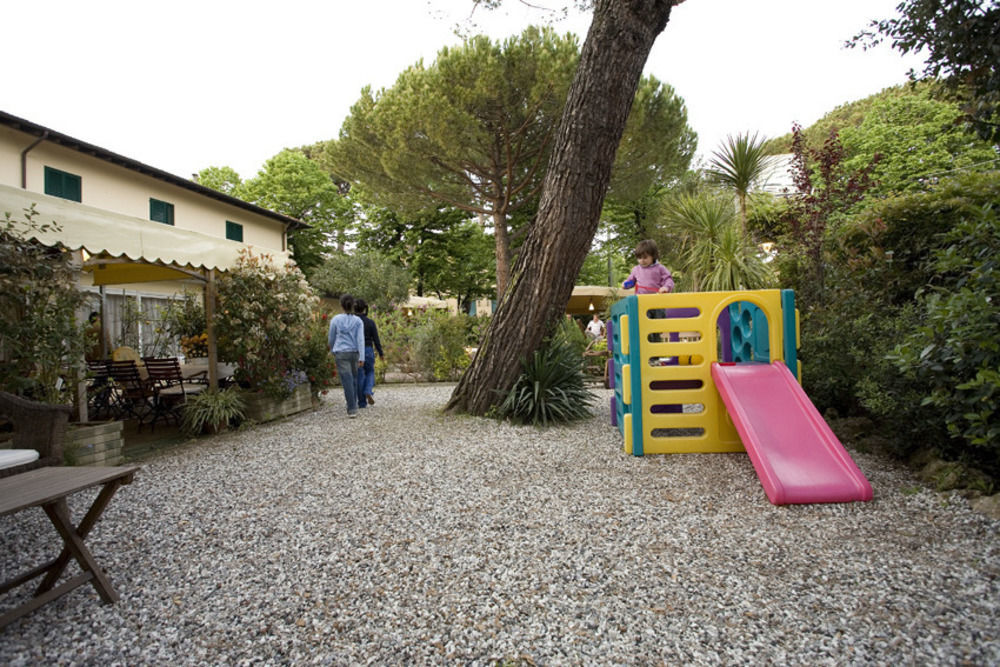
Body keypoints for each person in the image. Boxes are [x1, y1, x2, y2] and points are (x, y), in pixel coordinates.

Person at [327, 294, 365, 418]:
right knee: (353, 379)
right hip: (354, 353)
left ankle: (352, 408)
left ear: (341, 305)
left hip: (341, 353)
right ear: (352, 305)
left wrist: (332, 349)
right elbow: (360, 340)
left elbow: (331, 337)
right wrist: (362, 357)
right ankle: (353, 405)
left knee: (347, 380)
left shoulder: (335, 320)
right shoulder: (358, 321)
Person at [353, 298, 384, 409]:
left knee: (360, 375)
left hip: (356, 351)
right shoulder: (370, 322)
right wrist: (381, 353)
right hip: (368, 349)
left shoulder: (353, 322)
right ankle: (368, 391)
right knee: (370, 371)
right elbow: (376, 339)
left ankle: (362, 403)